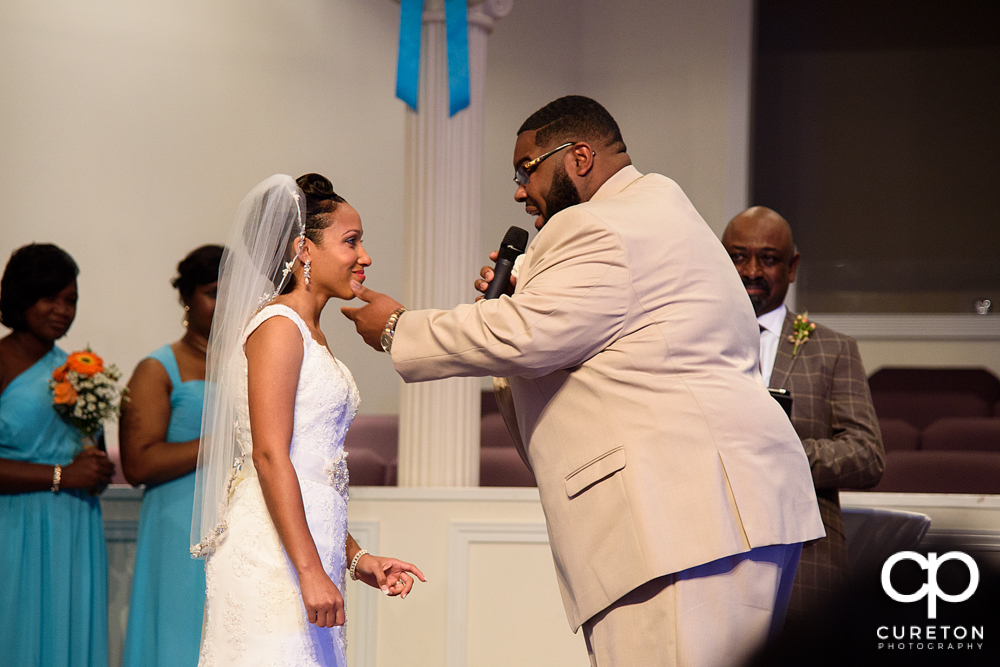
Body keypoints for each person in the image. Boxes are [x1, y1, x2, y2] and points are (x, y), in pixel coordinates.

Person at [343, 96, 825, 667]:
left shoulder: (594, 224)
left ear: (578, 156)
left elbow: (526, 337)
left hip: (680, 516)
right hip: (735, 504)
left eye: (526, 170)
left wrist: (399, 329)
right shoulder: (663, 206)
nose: (520, 191)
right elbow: (593, 339)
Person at [192, 174, 424, 667]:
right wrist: (310, 570)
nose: (364, 257)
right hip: (274, 555)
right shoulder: (279, 327)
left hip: (310, 547)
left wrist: (358, 560)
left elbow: (313, 474)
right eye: (351, 241)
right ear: (304, 249)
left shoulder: (311, 331)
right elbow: (270, 455)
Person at [721, 206, 884, 622]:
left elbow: (867, 456)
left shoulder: (833, 349)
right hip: (713, 561)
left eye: (768, 259)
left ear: (792, 267)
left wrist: (780, 455)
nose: (751, 270)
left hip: (806, 564)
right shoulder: (691, 344)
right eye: (737, 257)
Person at [0, 243, 115, 667]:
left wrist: (98, 468)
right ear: (21, 296)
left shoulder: (80, 368)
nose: (62, 310)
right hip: (13, 525)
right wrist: (62, 476)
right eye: (50, 297)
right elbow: (67, 471)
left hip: (75, 526)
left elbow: (93, 457)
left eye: (71, 301)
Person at [119, 244, 222, 667]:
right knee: (181, 633)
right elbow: (138, 463)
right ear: (186, 297)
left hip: (236, 517)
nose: (223, 305)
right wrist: (219, 443)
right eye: (213, 292)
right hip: (179, 522)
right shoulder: (158, 368)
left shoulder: (250, 362)